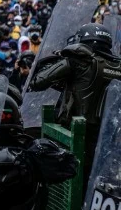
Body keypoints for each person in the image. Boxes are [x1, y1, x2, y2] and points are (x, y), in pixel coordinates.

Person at [29, 22, 120, 186]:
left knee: (64, 188)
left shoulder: (79, 59)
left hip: (71, 135)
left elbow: (38, 82)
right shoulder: (117, 65)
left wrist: (59, 61)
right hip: (104, 138)